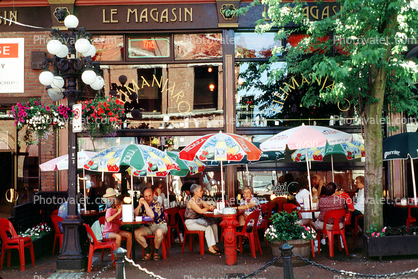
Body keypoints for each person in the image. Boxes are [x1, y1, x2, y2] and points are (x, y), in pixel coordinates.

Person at [184, 184, 221, 256]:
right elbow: (200, 211)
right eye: (200, 191)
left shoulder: (199, 200)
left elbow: (206, 205)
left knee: (213, 225)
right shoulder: (191, 201)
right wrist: (208, 208)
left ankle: (213, 245)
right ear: (195, 192)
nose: (202, 192)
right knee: (208, 227)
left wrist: (210, 207)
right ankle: (210, 248)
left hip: (197, 221)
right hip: (190, 223)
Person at [134, 188, 168, 261]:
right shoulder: (143, 205)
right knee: (136, 233)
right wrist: (139, 205)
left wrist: (145, 204)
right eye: (145, 196)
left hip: (159, 225)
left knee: (158, 233)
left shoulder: (157, 204)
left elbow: (152, 216)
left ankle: (155, 252)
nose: (147, 198)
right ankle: (148, 251)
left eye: (149, 196)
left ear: (153, 196)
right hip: (147, 226)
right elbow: (135, 215)